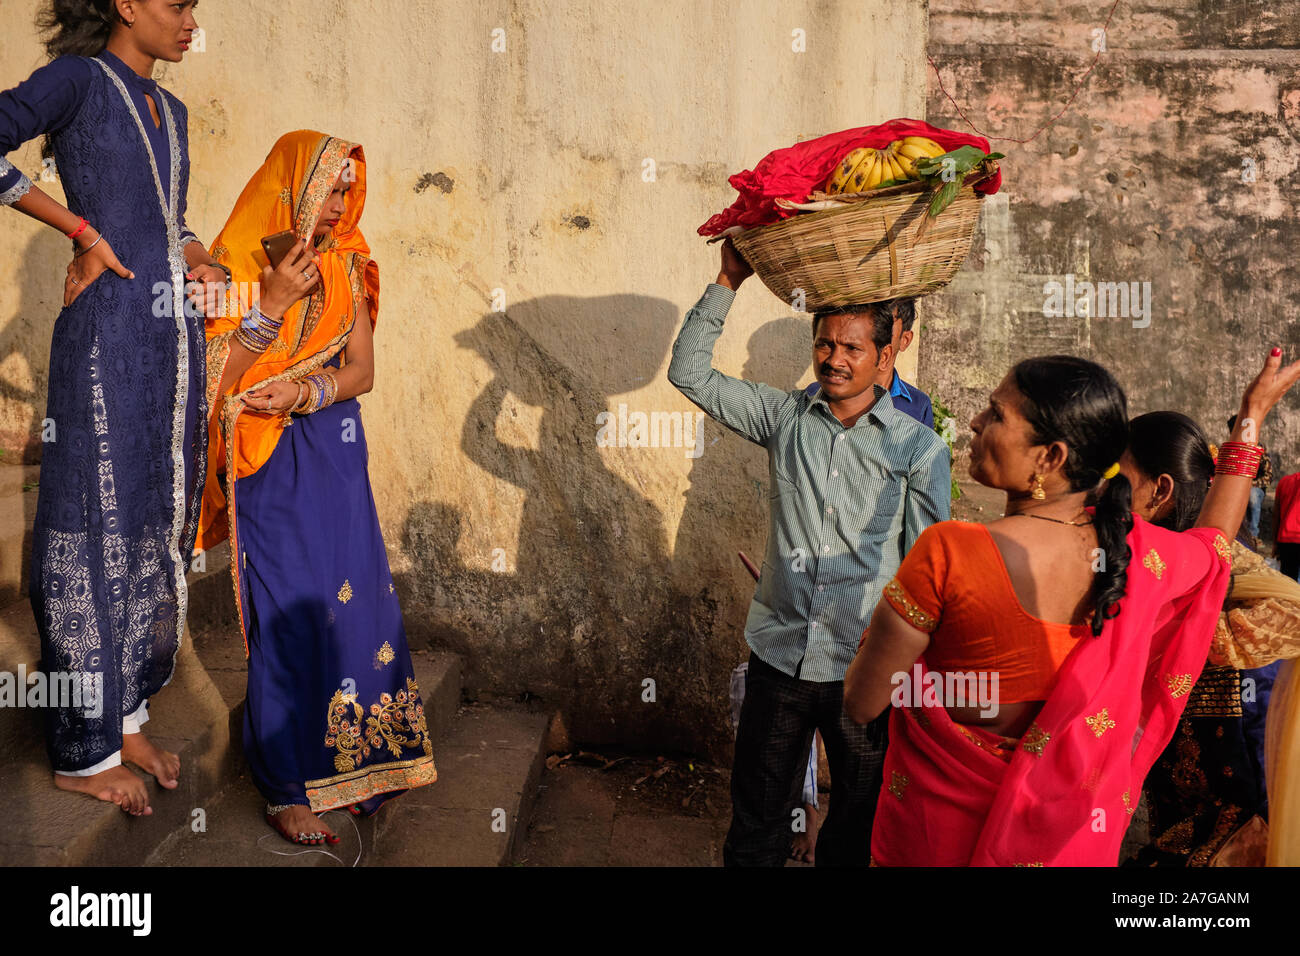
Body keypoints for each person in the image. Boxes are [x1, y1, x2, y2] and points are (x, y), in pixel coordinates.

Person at [845, 349, 1300, 866]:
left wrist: (875, 638)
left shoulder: (949, 552)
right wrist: (1252, 417)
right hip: (1067, 842)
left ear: (1051, 457)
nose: (974, 421)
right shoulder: (1135, 554)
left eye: (996, 414)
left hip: (937, 838)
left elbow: (863, 702)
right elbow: (1214, 545)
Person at [1, 0, 222, 816]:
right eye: (177, 5)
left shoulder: (173, 109)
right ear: (127, 5)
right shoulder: (76, 83)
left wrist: (203, 260)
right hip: (105, 339)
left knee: (145, 520)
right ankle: (80, 751)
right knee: (93, 522)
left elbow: (170, 221)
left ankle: (123, 719)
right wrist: (79, 232)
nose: (191, 19)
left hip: (168, 346)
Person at [669, 240, 951, 866]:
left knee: (856, 828)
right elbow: (688, 374)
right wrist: (727, 280)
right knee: (756, 823)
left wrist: (905, 657)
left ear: (886, 355)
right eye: (825, 344)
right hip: (780, 657)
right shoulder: (783, 418)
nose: (835, 359)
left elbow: (929, 570)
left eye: (853, 348)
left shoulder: (919, 450)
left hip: (865, 669)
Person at [197, 130, 436, 845]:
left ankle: (355, 760)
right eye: (329, 187)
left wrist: (306, 389)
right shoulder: (233, 263)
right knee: (285, 609)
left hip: (332, 443)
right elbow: (211, 378)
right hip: (263, 455)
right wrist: (269, 305)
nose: (339, 204)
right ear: (293, 185)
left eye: (347, 189)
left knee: (354, 601)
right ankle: (285, 785)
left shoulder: (349, 261)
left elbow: (361, 368)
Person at [1118, 412, 1300, 865]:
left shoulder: (1220, 563)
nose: (1107, 493)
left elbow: (1290, 609)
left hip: (1236, 773)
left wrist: (1190, 635)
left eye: (1118, 479)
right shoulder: (1137, 553)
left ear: (1161, 491)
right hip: (1178, 770)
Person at [805, 300, 932, 428]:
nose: (835, 361)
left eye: (887, 324)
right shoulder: (815, 394)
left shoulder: (918, 405)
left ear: (905, 340)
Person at [1227, 415, 1272, 542]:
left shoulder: (1258, 448)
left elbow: (1268, 476)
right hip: (1236, 488)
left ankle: (1253, 535)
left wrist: (1248, 483)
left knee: (1252, 496)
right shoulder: (1231, 449)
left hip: (1254, 488)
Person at [1272, 469, 1300, 581]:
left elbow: (1276, 515)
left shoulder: (1284, 481)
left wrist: (1275, 543)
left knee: (1288, 584)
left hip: (1286, 542)